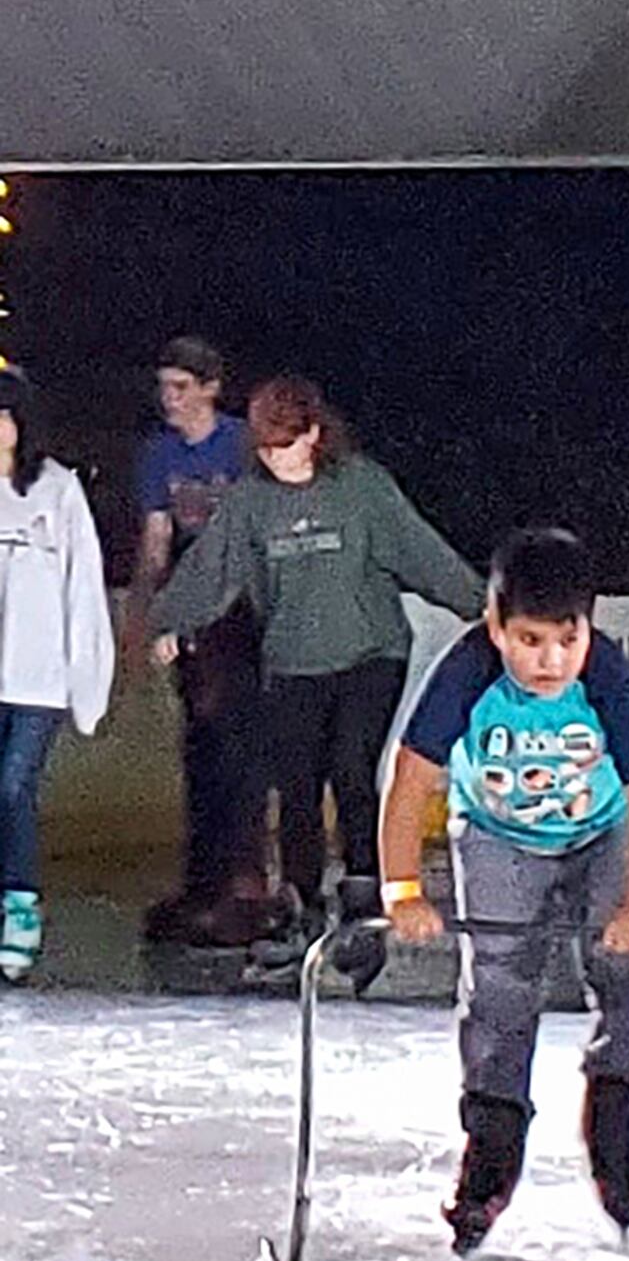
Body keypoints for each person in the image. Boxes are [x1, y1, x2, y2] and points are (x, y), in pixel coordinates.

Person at [372, 530, 629, 1252]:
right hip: (500, 834)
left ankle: (614, 1111)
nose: (549, 661)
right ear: (495, 626)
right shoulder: (468, 670)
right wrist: (401, 887)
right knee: (502, 988)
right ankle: (493, 1149)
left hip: (601, 831)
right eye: (529, 640)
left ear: (588, 627)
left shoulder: (608, 678)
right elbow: (411, 779)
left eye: (565, 641)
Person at [151, 377, 482, 980]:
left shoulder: (361, 488)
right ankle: (301, 899)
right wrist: (174, 621)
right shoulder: (253, 502)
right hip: (294, 659)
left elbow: (420, 553)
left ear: (314, 435)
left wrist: (485, 610)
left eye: (288, 446)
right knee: (297, 783)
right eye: (267, 449)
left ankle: (363, 895)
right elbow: (212, 566)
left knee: (353, 768)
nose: (278, 460)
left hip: (370, 653)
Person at [127, 337, 273, 949]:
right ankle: (205, 880)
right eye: (164, 387)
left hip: (244, 605)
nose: (170, 400)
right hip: (192, 604)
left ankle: (245, 882)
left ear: (212, 388)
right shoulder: (159, 454)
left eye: (182, 387)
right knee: (202, 744)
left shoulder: (240, 444)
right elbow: (157, 541)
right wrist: (149, 615)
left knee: (240, 744)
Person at [0, 372, 118, 988]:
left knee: (12, 788)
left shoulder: (55, 491)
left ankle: (20, 905)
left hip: (37, 679)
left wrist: (86, 684)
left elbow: (83, 587)